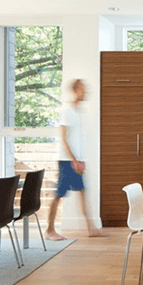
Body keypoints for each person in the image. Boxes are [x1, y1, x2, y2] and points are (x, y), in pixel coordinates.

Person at [46, 79, 100, 240]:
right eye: (83, 90)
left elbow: (77, 140)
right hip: (67, 161)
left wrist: (81, 160)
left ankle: (90, 228)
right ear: (76, 90)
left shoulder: (78, 112)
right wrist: (74, 160)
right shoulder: (67, 110)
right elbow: (64, 138)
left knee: (82, 192)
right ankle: (49, 230)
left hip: (76, 160)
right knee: (58, 195)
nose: (86, 93)